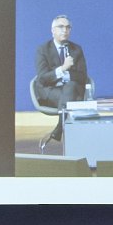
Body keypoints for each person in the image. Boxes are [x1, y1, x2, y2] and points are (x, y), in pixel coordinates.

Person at [33, 14, 89, 148]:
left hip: (71, 91)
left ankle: (59, 127)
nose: (65, 30)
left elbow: (83, 76)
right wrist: (63, 68)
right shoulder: (43, 49)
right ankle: (72, 138)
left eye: (68, 27)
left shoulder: (76, 49)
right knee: (72, 99)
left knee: (70, 88)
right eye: (61, 27)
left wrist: (67, 76)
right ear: (52, 30)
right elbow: (42, 78)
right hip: (50, 92)